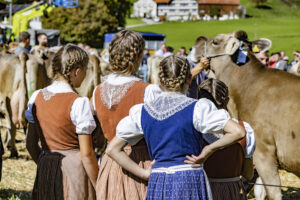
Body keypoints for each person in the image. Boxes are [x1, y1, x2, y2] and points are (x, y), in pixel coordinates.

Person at [107, 55, 246, 200]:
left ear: (160, 80)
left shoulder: (141, 112)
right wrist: (208, 150)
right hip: (189, 179)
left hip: (158, 180)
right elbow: (238, 132)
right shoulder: (198, 108)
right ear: (189, 79)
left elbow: (112, 149)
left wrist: (144, 173)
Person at [93, 30, 160, 200]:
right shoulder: (148, 91)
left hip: (109, 164)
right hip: (140, 163)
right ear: (137, 57)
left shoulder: (97, 91)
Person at [25, 44, 98, 199]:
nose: (85, 75)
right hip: (74, 171)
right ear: (76, 71)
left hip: (45, 166)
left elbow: (30, 144)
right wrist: (99, 184)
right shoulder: (79, 103)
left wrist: (46, 164)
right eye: (85, 70)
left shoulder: (36, 97)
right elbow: (87, 154)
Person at [198, 78, 256, 200]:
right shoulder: (244, 128)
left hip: (203, 190)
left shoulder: (194, 130)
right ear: (227, 100)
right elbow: (248, 174)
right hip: (233, 192)